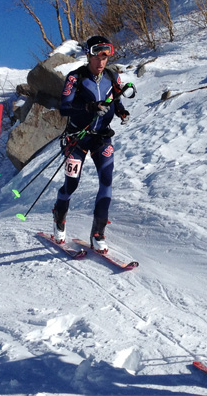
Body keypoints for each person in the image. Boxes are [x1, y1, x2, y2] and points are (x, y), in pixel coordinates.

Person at [52, 35, 130, 253]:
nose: (101, 62)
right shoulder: (75, 78)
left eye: (105, 57)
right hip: (76, 138)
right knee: (71, 185)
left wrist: (122, 111)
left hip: (102, 137)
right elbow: (64, 108)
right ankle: (59, 217)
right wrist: (89, 107)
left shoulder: (112, 76)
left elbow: (116, 98)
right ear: (89, 55)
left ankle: (98, 232)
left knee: (106, 182)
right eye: (97, 57)